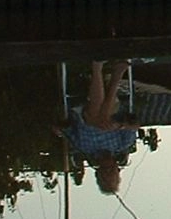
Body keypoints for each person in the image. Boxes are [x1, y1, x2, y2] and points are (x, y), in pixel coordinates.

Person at [56, 60, 140, 194]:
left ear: (97, 172)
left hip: (84, 110)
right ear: (117, 169)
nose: (108, 168)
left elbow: (63, 130)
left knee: (96, 117)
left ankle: (115, 74)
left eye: (105, 172)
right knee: (103, 117)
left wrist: (59, 131)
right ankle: (98, 67)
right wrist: (119, 126)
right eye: (112, 171)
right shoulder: (122, 145)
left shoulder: (82, 147)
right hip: (113, 108)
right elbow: (135, 126)